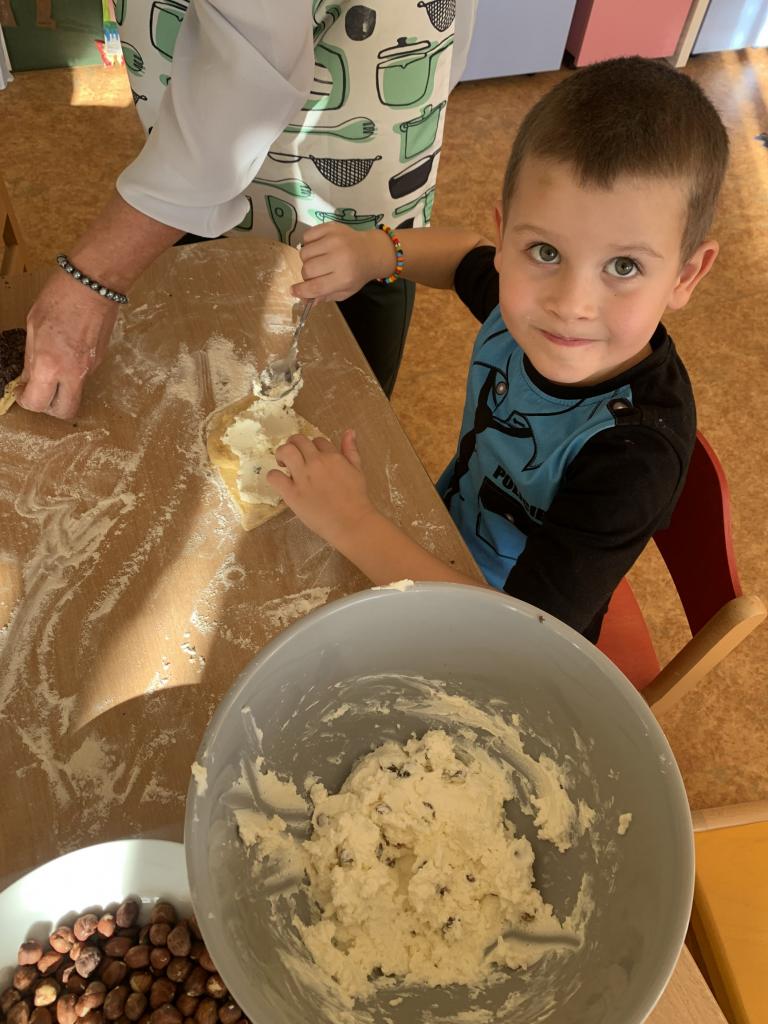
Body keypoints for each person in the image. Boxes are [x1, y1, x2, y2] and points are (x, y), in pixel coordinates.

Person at [266, 57, 729, 642]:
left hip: (503, 634)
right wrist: (376, 253)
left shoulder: (635, 459)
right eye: (545, 252)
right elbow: (465, 255)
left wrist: (352, 522)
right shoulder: (521, 309)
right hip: (441, 537)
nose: (570, 304)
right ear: (507, 237)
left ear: (686, 276)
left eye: (624, 266)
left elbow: (521, 636)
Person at [19, 0, 478, 418]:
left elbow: (252, 59)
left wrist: (94, 279)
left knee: (334, 406)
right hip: (205, 133)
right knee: (204, 354)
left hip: (337, 151)